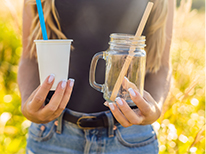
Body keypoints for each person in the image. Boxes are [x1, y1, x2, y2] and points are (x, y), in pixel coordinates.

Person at [18, 0, 174, 153]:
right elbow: (29, 57)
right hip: (51, 135)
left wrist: (154, 109)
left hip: (131, 136)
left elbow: (161, 66)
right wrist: (27, 105)